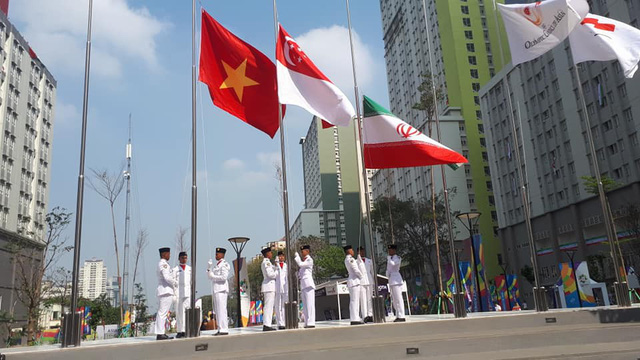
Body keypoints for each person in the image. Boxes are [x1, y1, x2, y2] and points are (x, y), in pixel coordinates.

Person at [155, 247, 177, 340]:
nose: (170, 255)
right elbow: (166, 277)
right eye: (168, 253)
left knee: (163, 313)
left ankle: (161, 332)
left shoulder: (165, 264)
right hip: (165, 290)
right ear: (164, 254)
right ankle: (160, 333)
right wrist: (175, 282)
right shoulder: (163, 264)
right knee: (162, 313)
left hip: (166, 291)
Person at [207, 247, 231, 335]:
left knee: (221, 309)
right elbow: (209, 276)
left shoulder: (224, 264)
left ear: (222, 255)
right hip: (217, 289)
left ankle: (223, 329)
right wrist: (209, 267)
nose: (216, 255)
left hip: (221, 289)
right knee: (217, 310)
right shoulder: (217, 265)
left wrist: (213, 277)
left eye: (217, 254)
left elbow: (224, 277)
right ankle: (220, 328)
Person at [294, 245, 316, 328]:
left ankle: (311, 322)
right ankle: (306, 322)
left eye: (303, 251)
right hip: (303, 285)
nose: (302, 252)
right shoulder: (305, 260)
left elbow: (300, 264)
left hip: (308, 284)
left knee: (310, 304)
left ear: (307, 251)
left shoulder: (309, 260)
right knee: (305, 305)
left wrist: (297, 257)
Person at [344, 245, 364, 325]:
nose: (353, 251)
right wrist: (361, 276)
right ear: (349, 251)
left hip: (351, 281)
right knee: (355, 301)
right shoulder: (351, 259)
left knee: (353, 301)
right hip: (354, 281)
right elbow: (356, 270)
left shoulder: (347, 259)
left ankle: (355, 317)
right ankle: (355, 318)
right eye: (352, 250)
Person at [173, 251, 191, 338]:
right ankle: (180, 330)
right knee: (179, 312)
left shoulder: (190, 269)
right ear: (179, 258)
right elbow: (173, 281)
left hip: (187, 292)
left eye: (185, 258)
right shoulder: (175, 269)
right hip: (179, 292)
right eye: (182, 258)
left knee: (186, 312)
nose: (184, 259)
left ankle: (186, 329)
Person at [386, 244, 406, 322]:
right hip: (391, 280)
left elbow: (394, 264)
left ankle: (402, 315)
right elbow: (389, 269)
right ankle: (398, 314)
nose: (389, 251)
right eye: (388, 250)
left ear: (394, 250)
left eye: (390, 250)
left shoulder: (397, 258)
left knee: (398, 298)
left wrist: (389, 259)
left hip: (396, 280)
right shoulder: (390, 258)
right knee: (394, 300)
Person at [261, 247, 277, 331]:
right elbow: (270, 274)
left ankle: (268, 323)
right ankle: (267, 324)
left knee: (270, 306)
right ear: (267, 254)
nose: (271, 254)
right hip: (269, 286)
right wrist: (277, 272)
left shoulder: (268, 263)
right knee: (268, 306)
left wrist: (275, 267)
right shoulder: (266, 262)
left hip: (269, 286)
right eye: (270, 252)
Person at [358, 246, 374, 323]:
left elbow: (372, 272)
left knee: (369, 299)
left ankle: (370, 314)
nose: (362, 252)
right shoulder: (356, 261)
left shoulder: (369, 261)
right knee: (363, 299)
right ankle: (364, 315)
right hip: (361, 281)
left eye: (363, 251)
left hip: (369, 280)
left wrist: (373, 280)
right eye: (360, 251)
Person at [275, 250, 288, 330]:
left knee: (284, 305)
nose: (281, 257)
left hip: (285, 287)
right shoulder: (276, 265)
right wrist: (276, 264)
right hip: (278, 287)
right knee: (278, 305)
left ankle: (284, 321)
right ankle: (279, 322)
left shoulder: (286, 265)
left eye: (282, 256)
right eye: (280, 256)